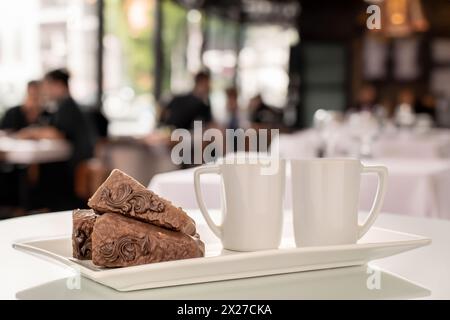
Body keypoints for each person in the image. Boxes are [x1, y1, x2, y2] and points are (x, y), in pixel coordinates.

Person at [20, 69, 95, 210]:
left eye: (48, 86)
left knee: (41, 176)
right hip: (74, 160)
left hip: (72, 165)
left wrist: (32, 133)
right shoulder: (67, 105)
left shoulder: (67, 106)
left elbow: (58, 133)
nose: (46, 91)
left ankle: (35, 209)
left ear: (59, 85)